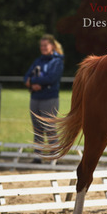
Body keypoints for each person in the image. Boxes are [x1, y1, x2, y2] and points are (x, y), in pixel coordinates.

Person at [24, 34, 64, 163]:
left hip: (49, 98)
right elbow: (26, 77)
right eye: (41, 45)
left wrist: (33, 81)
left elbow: (51, 78)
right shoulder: (38, 61)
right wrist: (32, 84)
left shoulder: (57, 61)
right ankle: (38, 156)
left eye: (45, 45)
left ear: (52, 46)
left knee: (50, 128)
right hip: (35, 98)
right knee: (37, 128)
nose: (43, 47)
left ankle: (55, 156)